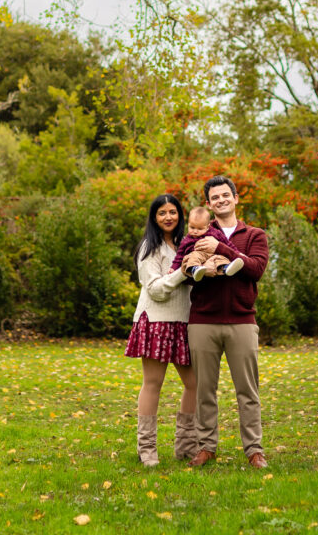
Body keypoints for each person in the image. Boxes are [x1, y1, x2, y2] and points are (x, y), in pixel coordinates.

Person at [183, 175, 269, 470]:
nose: (220, 200)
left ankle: (254, 450)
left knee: (247, 390)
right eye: (214, 197)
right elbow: (185, 263)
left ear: (235, 198)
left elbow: (255, 269)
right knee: (204, 389)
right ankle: (206, 447)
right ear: (208, 204)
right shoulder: (199, 232)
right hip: (203, 321)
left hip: (242, 321)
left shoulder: (254, 234)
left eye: (225, 195)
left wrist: (224, 250)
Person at [125, 194, 198, 466]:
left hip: (183, 322)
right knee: (153, 384)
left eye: (173, 212)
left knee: (195, 384)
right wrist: (182, 272)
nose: (168, 217)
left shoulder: (186, 244)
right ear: (154, 218)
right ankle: (147, 450)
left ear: (180, 215)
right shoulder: (149, 247)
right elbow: (155, 291)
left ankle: (186, 447)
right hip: (155, 321)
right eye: (162, 213)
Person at [171, 206, 244, 280]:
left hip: (213, 255)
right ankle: (195, 269)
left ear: (207, 227)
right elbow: (179, 256)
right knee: (193, 257)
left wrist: (237, 252)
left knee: (221, 258)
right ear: (188, 224)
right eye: (192, 227)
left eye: (200, 229)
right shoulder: (187, 240)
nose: (195, 231)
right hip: (196, 255)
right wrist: (173, 267)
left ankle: (226, 268)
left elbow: (227, 243)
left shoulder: (215, 233)